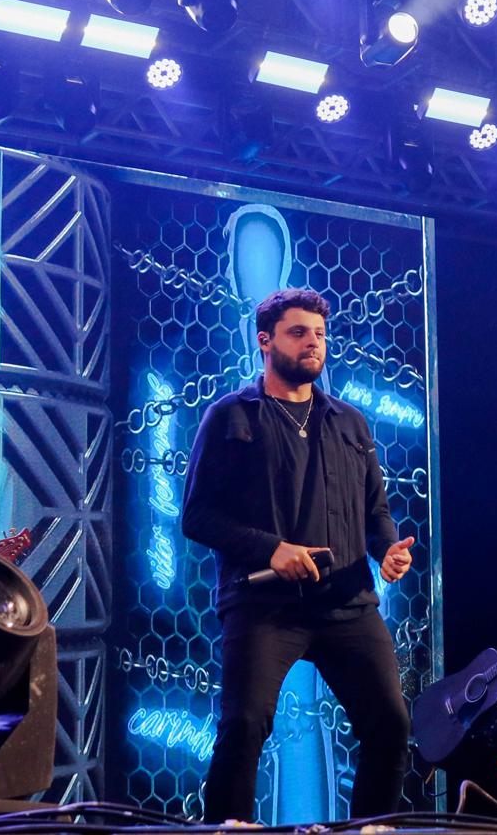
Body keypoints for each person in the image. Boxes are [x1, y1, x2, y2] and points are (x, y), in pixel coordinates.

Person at [182, 288, 416, 823]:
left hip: (347, 604)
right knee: (243, 726)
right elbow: (197, 516)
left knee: (390, 724)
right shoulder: (231, 417)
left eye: (319, 334)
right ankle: (227, 832)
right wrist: (272, 549)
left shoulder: (349, 422)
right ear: (265, 341)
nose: (313, 343)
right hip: (265, 606)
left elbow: (375, 510)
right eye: (298, 333)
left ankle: (368, 833)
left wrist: (387, 550)